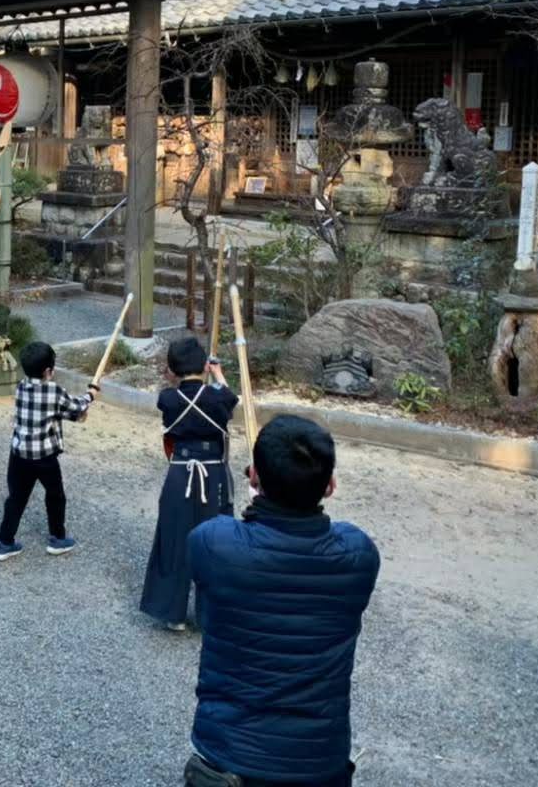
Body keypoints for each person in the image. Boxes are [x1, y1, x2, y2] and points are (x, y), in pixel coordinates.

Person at [183, 415, 380, 787]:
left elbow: (231, 533)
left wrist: (259, 501)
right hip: (319, 760)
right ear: (330, 485)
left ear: (254, 477)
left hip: (230, 755)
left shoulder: (213, 544)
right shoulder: (358, 555)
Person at [140, 337, 238, 631]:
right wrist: (217, 375)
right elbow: (230, 398)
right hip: (214, 474)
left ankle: (173, 612)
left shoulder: (168, 399)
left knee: (174, 538)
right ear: (204, 366)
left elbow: (173, 395)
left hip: (181, 472)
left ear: (172, 369)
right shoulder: (220, 398)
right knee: (217, 542)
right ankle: (213, 613)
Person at [0, 341, 96, 561]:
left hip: (19, 455)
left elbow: (53, 411)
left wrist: (74, 415)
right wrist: (91, 395)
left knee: (16, 499)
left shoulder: (20, 387)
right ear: (49, 371)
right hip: (45, 458)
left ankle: (4, 542)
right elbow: (76, 407)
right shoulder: (54, 391)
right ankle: (58, 538)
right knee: (56, 495)